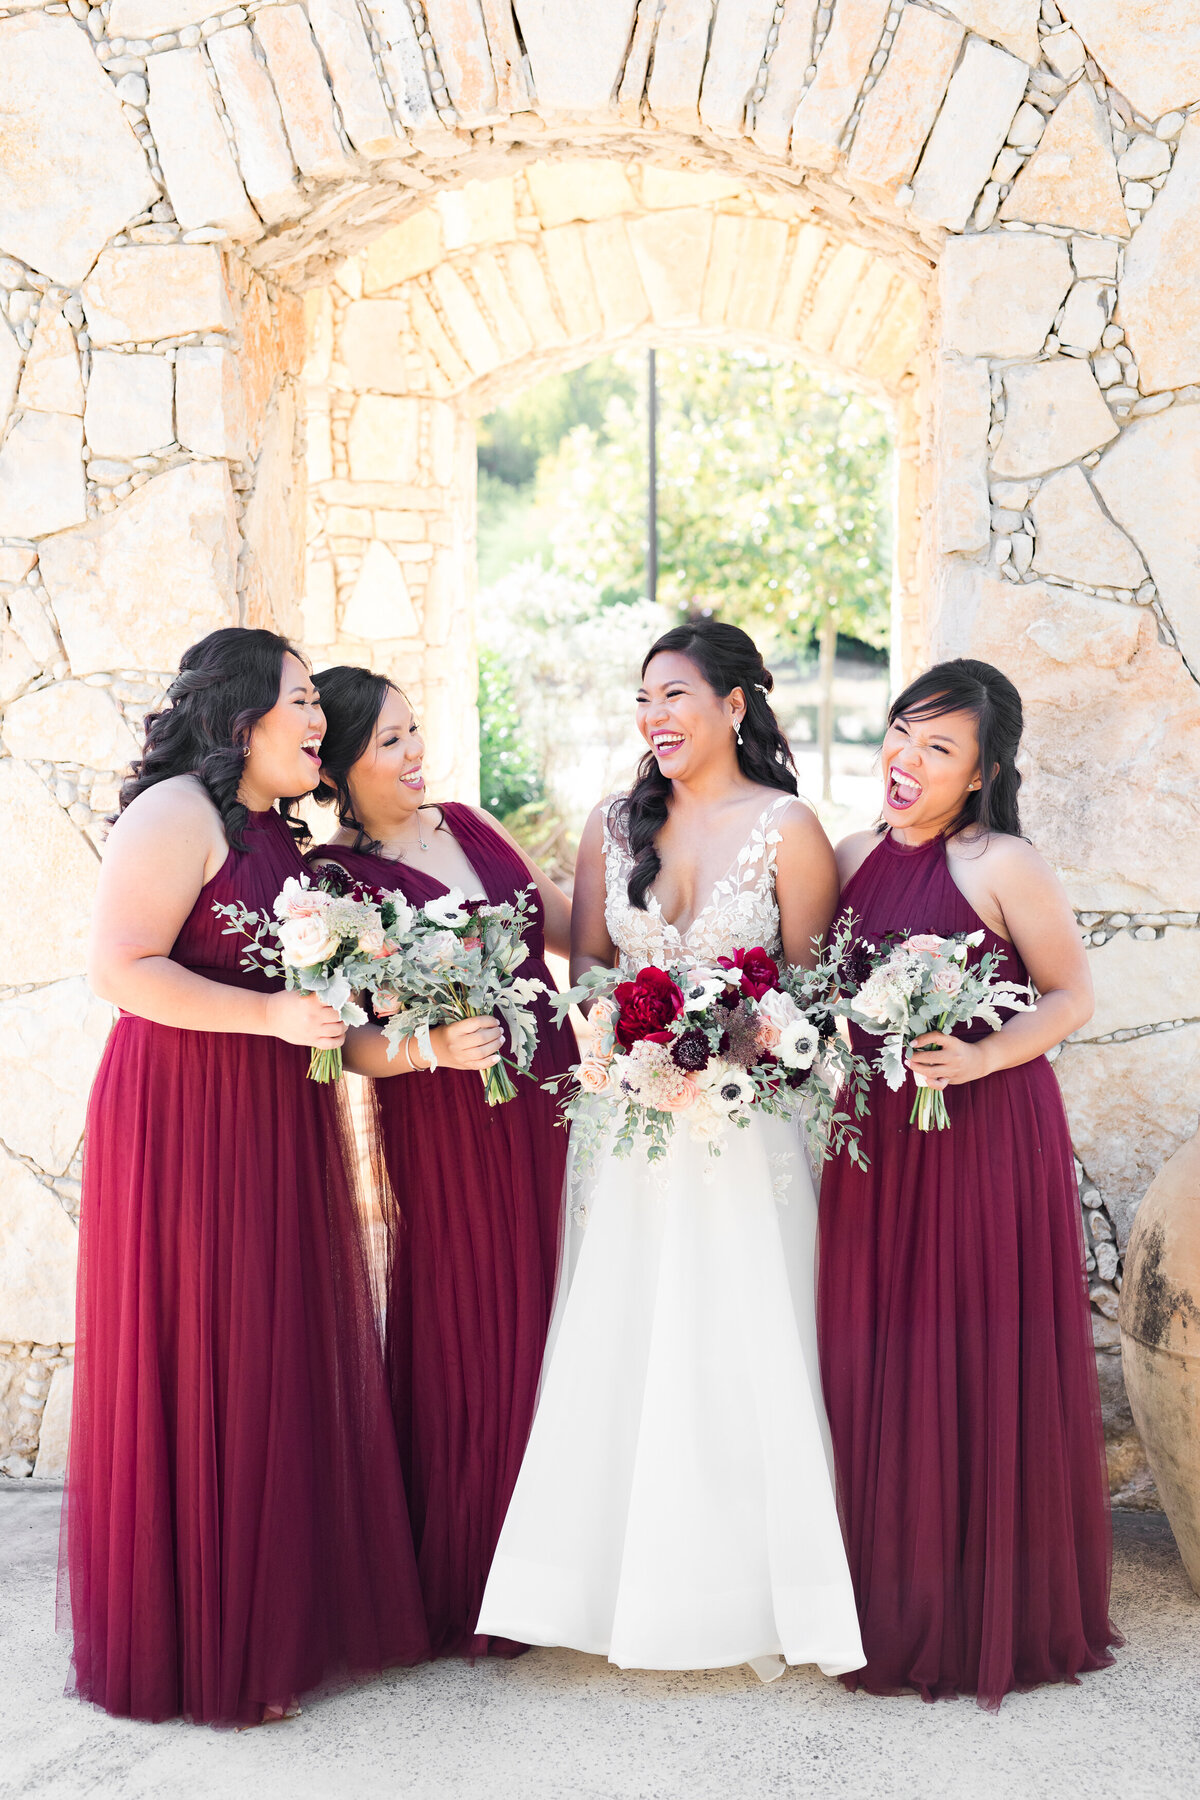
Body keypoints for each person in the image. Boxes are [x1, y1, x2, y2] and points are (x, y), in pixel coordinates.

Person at [475, 620, 865, 1683]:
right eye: (643, 698)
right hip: (633, 1128)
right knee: (624, 1336)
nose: (654, 716)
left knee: (742, 1340)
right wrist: (635, 1044)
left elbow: (811, 993)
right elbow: (592, 972)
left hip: (747, 1135)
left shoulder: (789, 828)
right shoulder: (612, 825)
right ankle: (603, 1588)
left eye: (676, 694)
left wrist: (730, 1036)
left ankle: (749, 1594)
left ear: (735, 706)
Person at [63, 628, 429, 1726]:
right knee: (206, 1348)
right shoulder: (175, 813)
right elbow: (120, 969)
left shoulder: (280, 838)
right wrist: (269, 1014)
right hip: (183, 1115)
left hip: (275, 1115)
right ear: (241, 716)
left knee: (269, 1347)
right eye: (304, 700)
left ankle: (272, 1619)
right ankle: (199, 1643)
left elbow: (319, 1009)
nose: (320, 722)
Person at [817, 657, 1121, 1708]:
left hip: (984, 1135)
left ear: (982, 771)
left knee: (971, 1354)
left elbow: (1071, 995)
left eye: (939, 747)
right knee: (878, 1355)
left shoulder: (1002, 862)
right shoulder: (851, 853)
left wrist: (985, 1057)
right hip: (881, 1145)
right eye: (903, 731)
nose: (906, 758)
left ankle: (982, 1614)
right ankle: (881, 1599)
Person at [310, 666, 576, 1660]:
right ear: (338, 763)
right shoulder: (336, 885)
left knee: (560, 1300)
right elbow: (341, 1045)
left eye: (416, 730)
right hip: (447, 1114)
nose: (416, 752)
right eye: (389, 741)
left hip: (546, 1090)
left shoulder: (468, 823)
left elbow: (565, 925)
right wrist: (431, 1046)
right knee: (478, 1312)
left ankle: (572, 1561)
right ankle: (479, 1570)